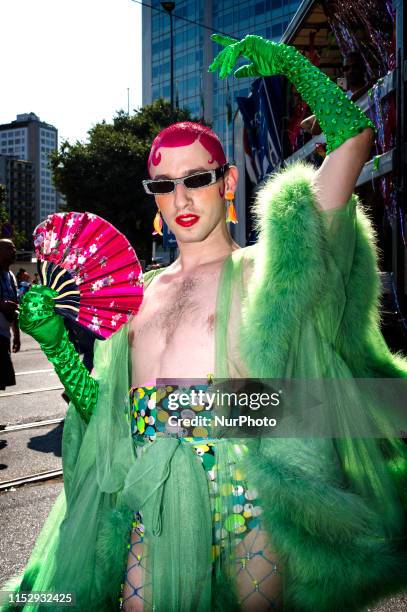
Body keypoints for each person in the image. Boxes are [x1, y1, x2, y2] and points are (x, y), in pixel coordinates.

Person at [3, 34, 407, 612]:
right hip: (152, 495)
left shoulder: (265, 269)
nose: (182, 195)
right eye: (165, 185)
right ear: (156, 200)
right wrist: (55, 347)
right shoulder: (136, 295)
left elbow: (352, 142)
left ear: (228, 184)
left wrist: (293, 63)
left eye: (197, 178)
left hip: (249, 493)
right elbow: (109, 418)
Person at [0, 239, 20, 390]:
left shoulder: (11, 276)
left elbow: (15, 308)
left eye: (13, 248)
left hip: (4, 335)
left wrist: (17, 335)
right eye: (9, 248)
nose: (13, 251)